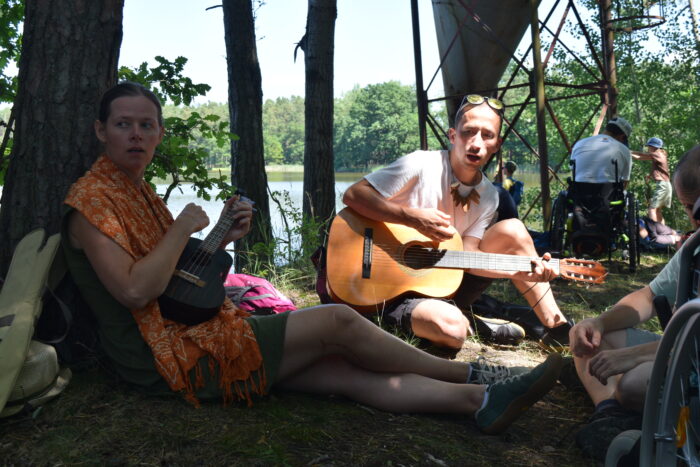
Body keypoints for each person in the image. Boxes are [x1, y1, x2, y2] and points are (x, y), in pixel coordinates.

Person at [60, 82, 564, 435]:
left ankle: (480, 402)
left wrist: (218, 237)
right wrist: (181, 230)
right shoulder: (91, 203)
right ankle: (476, 376)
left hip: (186, 334)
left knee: (343, 371)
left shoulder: (135, 192)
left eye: (146, 125)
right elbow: (136, 290)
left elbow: (173, 282)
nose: (136, 134)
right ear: (101, 130)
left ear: (159, 134)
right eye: (123, 124)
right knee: (337, 322)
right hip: (167, 356)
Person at [342, 94, 573, 351]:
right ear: (453, 135)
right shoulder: (421, 164)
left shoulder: (489, 195)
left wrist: (517, 271)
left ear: (496, 145)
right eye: (468, 132)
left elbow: (469, 254)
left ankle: (557, 329)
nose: (476, 143)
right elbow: (354, 195)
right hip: (389, 286)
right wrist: (411, 217)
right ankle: (451, 319)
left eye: (487, 135)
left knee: (513, 229)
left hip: (443, 284)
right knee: (453, 331)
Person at [567, 144, 700, 456]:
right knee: (590, 339)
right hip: (682, 353)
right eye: (687, 207)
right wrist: (598, 322)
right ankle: (610, 413)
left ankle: (632, 409)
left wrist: (635, 356)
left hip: (690, 361)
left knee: (634, 383)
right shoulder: (694, 249)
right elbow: (649, 296)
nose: (694, 219)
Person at [569, 117, 633, 185]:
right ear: (622, 137)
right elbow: (624, 182)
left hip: (579, 191)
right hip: (609, 191)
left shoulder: (579, 144)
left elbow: (573, 172)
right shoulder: (624, 150)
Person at [631, 137, 672, 224]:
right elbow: (659, 168)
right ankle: (662, 230)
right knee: (658, 211)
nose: (648, 148)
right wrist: (650, 175)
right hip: (666, 185)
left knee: (652, 210)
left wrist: (627, 152)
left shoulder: (657, 153)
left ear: (654, 147)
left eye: (649, 146)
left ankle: (653, 230)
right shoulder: (660, 154)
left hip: (662, 185)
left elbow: (640, 156)